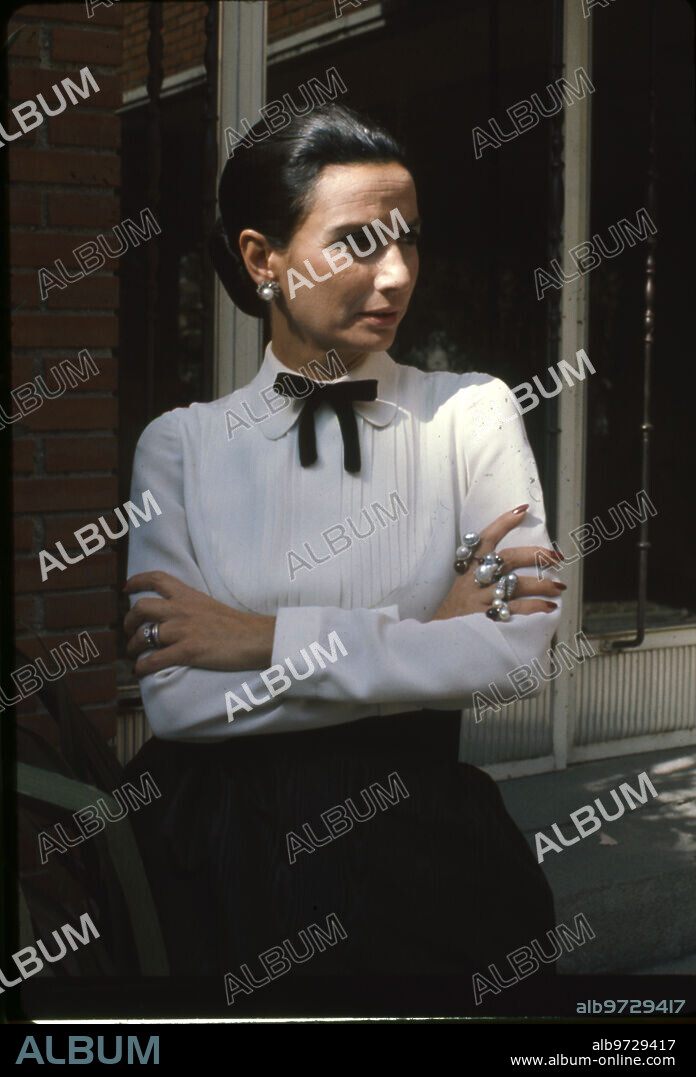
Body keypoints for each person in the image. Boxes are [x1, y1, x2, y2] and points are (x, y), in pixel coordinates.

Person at [121, 103, 565, 1014]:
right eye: (359, 242)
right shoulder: (181, 445)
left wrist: (258, 639)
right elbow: (177, 701)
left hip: (427, 839)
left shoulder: (471, 412)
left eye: (407, 241)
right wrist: (424, 636)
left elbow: (517, 652)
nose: (396, 275)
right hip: (222, 854)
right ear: (262, 260)